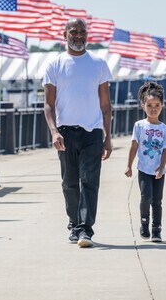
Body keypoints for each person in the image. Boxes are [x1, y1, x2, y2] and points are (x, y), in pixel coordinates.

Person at [43, 17, 113, 248]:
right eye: (74, 32)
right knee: (69, 182)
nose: (79, 36)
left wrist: (108, 137)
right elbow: (48, 105)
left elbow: (105, 105)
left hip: (92, 133)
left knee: (90, 181)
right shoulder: (54, 65)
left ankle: (85, 230)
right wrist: (54, 132)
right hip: (65, 133)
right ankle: (74, 223)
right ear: (65, 35)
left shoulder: (99, 64)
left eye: (82, 32)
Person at [125, 81, 166, 243]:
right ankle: (144, 224)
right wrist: (128, 166)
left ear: (162, 106)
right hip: (144, 169)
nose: (153, 108)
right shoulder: (139, 126)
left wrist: (161, 167)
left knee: (157, 201)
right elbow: (134, 145)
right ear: (143, 105)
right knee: (146, 197)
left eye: (157, 105)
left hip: (159, 171)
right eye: (150, 105)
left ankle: (156, 230)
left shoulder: (164, 129)